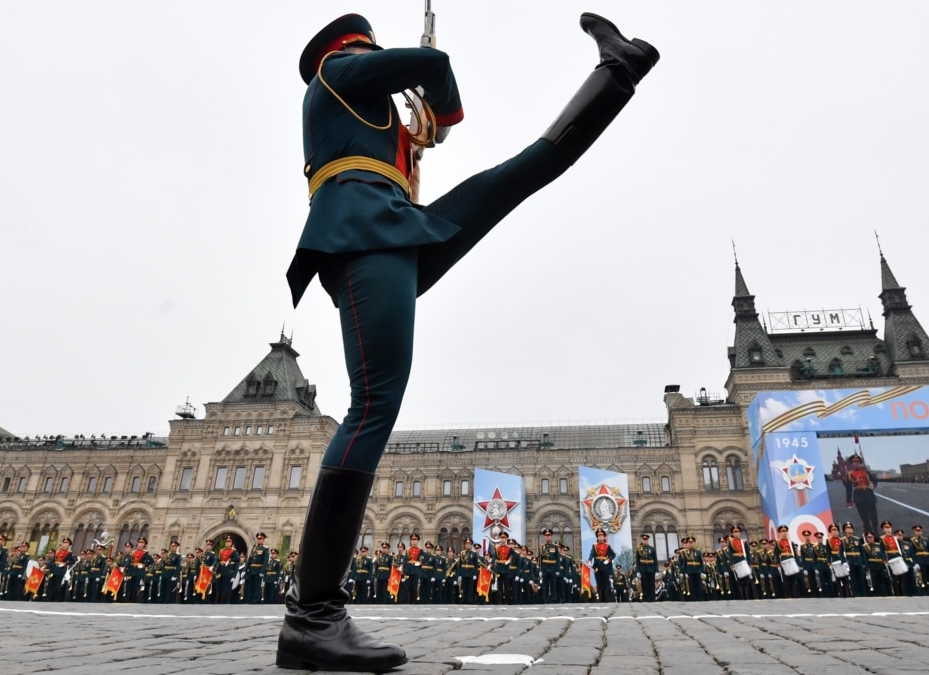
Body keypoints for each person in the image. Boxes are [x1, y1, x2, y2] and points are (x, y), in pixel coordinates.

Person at [276, 9, 659, 671]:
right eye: (370, 47)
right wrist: (441, 113)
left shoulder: (369, 117)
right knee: (373, 403)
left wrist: (419, 133)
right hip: (365, 228)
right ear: (350, 46)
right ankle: (311, 617)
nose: (375, 55)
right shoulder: (336, 73)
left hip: (393, 224)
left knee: (522, 174)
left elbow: (413, 130)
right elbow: (435, 68)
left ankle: (618, 70)